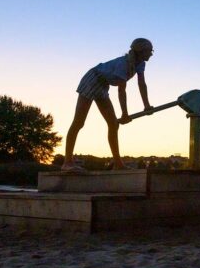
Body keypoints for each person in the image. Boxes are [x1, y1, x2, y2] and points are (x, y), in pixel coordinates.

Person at [61, 38, 154, 171]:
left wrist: (147, 106)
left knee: (113, 124)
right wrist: (124, 113)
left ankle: (118, 164)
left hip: (103, 85)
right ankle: (67, 162)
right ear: (140, 51)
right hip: (92, 79)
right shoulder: (124, 64)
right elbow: (122, 90)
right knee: (79, 122)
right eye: (149, 51)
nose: (151, 54)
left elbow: (142, 84)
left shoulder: (140, 64)